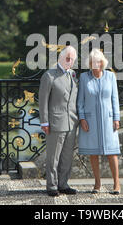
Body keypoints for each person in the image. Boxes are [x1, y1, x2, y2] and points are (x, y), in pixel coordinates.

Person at [77, 48, 121, 194]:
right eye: (93, 62)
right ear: (90, 63)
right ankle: (97, 183)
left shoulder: (110, 76)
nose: (96, 64)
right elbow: (80, 101)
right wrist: (82, 118)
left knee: (112, 152)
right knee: (93, 152)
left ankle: (116, 183)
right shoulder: (84, 78)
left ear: (103, 63)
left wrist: (116, 118)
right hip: (91, 120)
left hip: (108, 120)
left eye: (98, 61)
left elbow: (115, 99)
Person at [39, 46, 79, 197]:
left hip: (71, 122)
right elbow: (43, 101)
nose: (69, 61)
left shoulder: (73, 75)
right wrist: (44, 122)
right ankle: (52, 185)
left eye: (72, 59)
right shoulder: (49, 76)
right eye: (67, 58)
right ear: (60, 58)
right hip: (55, 122)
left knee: (67, 156)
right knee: (53, 157)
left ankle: (63, 184)